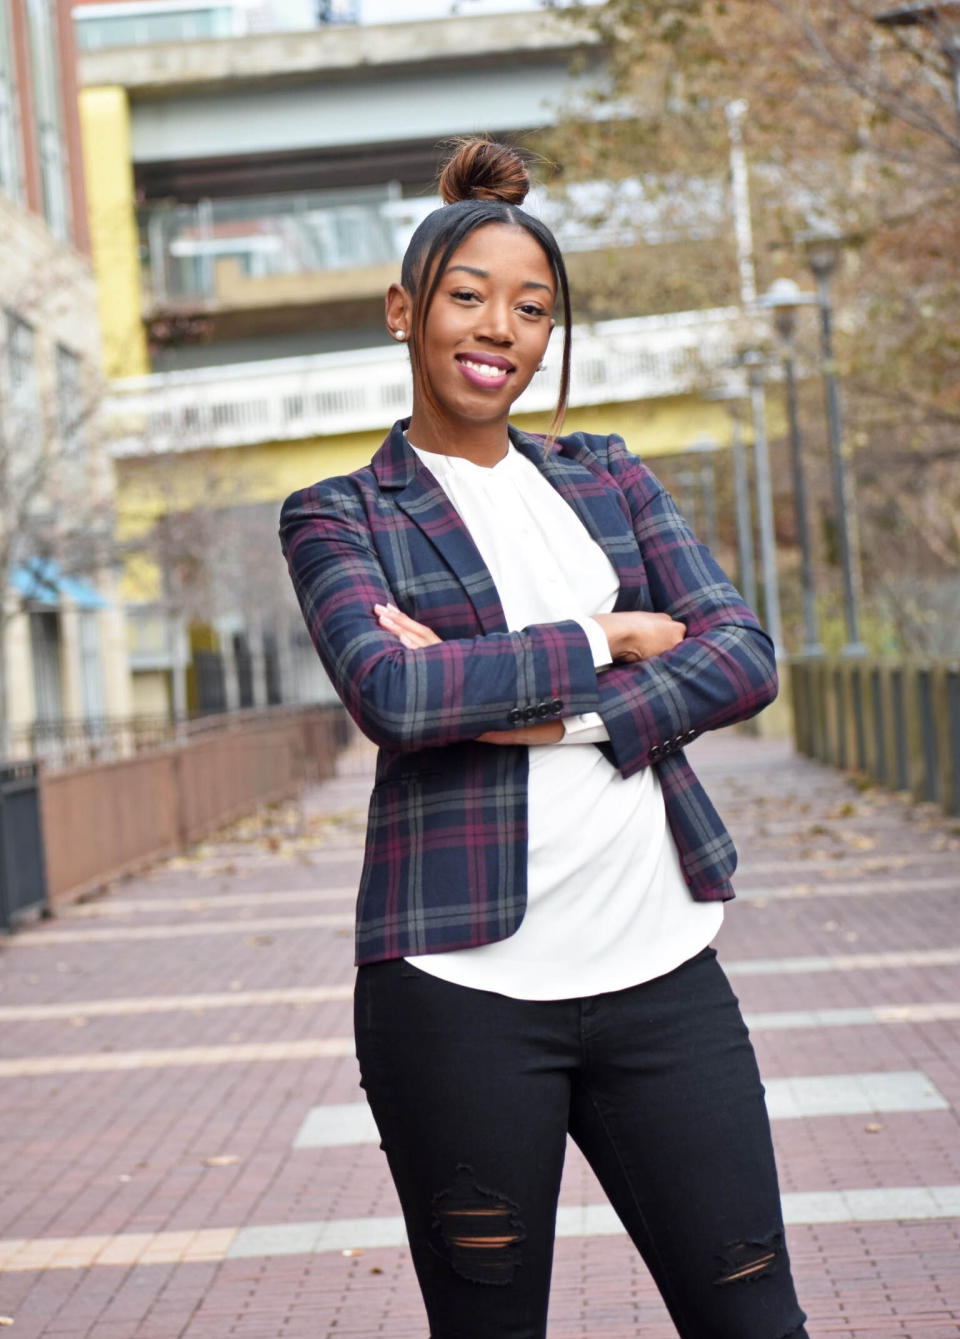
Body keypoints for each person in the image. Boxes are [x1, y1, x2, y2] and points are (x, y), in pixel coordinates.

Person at [280, 138, 808, 1339]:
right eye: (469, 296)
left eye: (532, 308)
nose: (500, 329)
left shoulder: (608, 477)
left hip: (661, 968)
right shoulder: (339, 514)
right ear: (406, 311)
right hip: (459, 992)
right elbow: (394, 697)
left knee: (755, 1318)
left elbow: (743, 655)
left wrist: (546, 708)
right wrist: (607, 637)